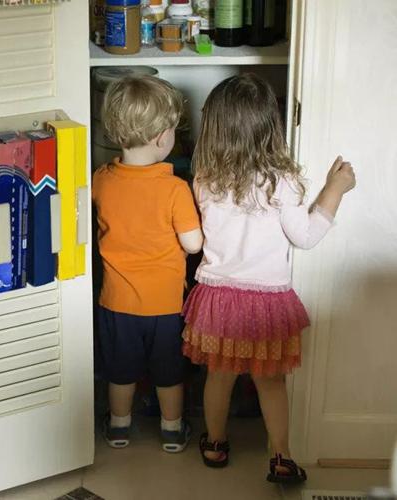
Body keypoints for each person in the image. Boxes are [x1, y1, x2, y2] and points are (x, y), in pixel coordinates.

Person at [183, 74, 356, 483]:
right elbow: (307, 236)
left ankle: (216, 442)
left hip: (219, 298)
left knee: (219, 376)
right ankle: (281, 456)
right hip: (266, 302)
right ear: (270, 127)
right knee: (271, 383)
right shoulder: (284, 182)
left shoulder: (205, 179)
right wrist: (336, 188)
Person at [93, 76, 203, 452]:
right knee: (169, 372)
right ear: (162, 138)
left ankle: (119, 426)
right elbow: (193, 243)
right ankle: (171, 429)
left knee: (119, 371)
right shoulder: (174, 189)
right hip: (166, 305)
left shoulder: (102, 180)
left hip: (117, 302)